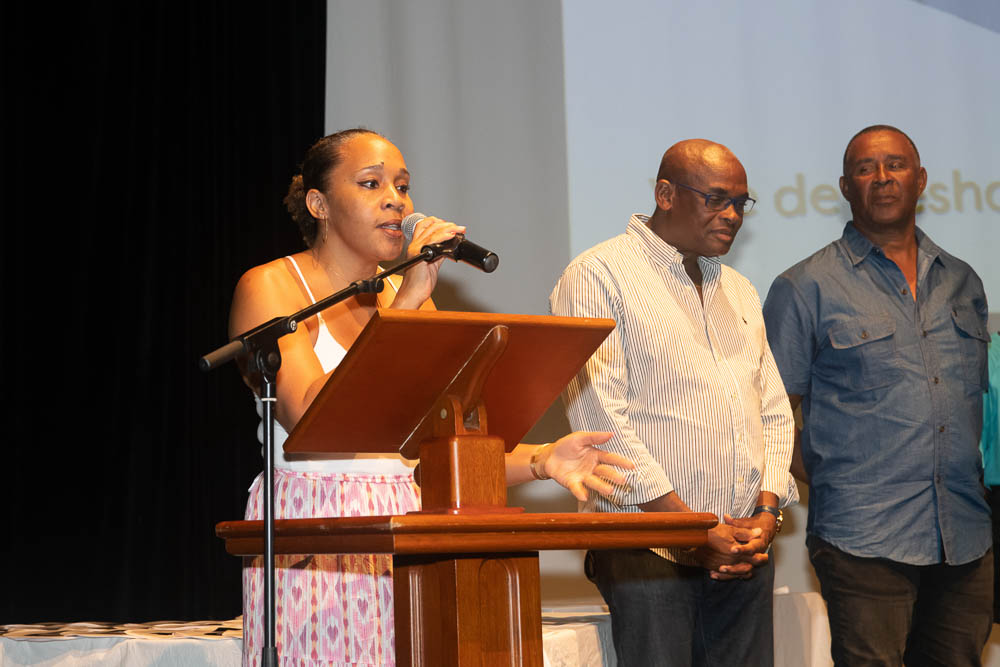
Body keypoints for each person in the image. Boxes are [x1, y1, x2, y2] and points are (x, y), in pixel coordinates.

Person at [229, 128, 634, 666]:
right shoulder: (272, 285)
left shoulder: (406, 297)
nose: (395, 200)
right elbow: (310, 418)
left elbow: (435, 453)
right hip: (315, 525)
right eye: (371, 184)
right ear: (318, 204)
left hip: (412, 527)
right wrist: (410, 301)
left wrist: (542, 459)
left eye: (402, 186)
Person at [550, 139, 797, 667]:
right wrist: (689, 530)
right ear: (665, 194)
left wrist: (766, 515)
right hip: (645, 547)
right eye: (716, 199)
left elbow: (773, 410)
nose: (732, 215)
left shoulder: (739, 289)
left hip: (742, 545)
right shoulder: (598, 274)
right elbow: (600, 417)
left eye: (740, 203)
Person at [762, 125, 993, 666]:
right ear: (846, 187)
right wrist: (839, 479)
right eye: (866, 168)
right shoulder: (804, 287)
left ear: (922, 180)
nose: (883, 177)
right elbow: (768, 420)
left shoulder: (963, 281)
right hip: (862, 539)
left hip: (964, 535)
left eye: (896, 165)